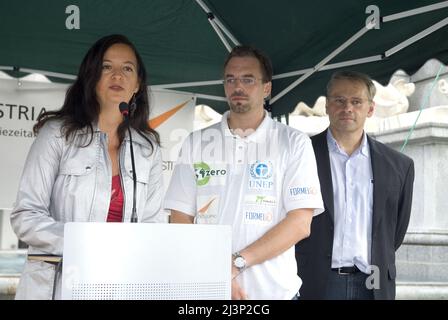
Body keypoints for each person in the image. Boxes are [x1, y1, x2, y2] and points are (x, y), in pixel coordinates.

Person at [10, 34, 166, 300]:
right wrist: (85, 243)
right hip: (60, 285)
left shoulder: (147, 148)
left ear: (138, 83)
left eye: (127, 68)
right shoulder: (58, 134)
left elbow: (154, 225)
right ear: (92, 76)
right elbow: (26, 216)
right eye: (107, 67)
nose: (117, 75)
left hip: (122, 284)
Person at [164, 45, 324, 300]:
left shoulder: (293, 142)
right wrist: (217, 274)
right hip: (210, 292)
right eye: (231, 79)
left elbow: (300, 223)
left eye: (248, 79)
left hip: (275, 293)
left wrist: (235, 263)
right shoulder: (196, 143)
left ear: (267, 88)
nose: (238, 87)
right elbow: (180, 220)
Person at [295, 71, 415, 300]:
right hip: (315, 281)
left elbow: (395, 231)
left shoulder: (400, 166)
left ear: (370, 109)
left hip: (374, 284)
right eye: (339, 100)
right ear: (327, 106)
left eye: (356, 101)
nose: (347, 108)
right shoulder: (300, 155)